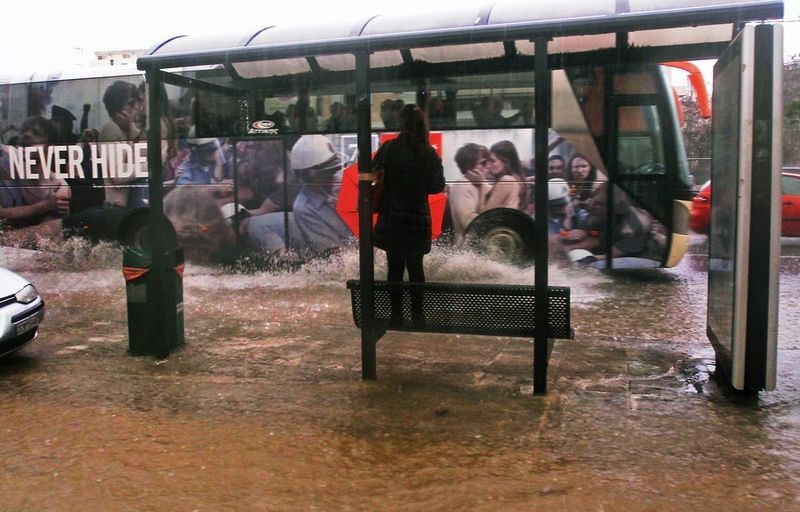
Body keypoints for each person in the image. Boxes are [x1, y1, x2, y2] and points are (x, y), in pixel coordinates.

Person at [373, 104, 445, 327]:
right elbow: (437, 186)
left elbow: (374, 170)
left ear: (401, 124)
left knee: (394, 268)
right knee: (416, 268)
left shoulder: (389, 149)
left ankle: (396, 315)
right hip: (417, 218)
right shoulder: (428, 153)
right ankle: (417, 315)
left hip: (393, 218)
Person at [0, 116, 71, 231]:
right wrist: (44, 205)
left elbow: (45, 234)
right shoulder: (10, 162)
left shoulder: (58, 187)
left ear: (50, 147)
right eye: (23, 131)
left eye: (36, 133)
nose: (26, 135)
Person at [98, 80, 146, 208]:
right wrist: (151, 166)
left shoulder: (126, 131)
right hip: (115, 207)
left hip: (127, 206)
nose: (136, 107)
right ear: (118, 108)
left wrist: (131, 128)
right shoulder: (110, 128)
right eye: (130, 103)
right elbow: (118, 175)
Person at [450, 143, 490, 236]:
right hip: (468, 246)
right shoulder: (462, 185)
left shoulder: (479, 184)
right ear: (469, 166)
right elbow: (469, 222)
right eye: (483, 163)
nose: (487, 166)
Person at [484, 140, 526, 211]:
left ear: (506, 162)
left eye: (492, 161)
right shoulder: (517, 179)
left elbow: (486, 212)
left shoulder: (506, 180)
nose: (488, 165)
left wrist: (480, 184)